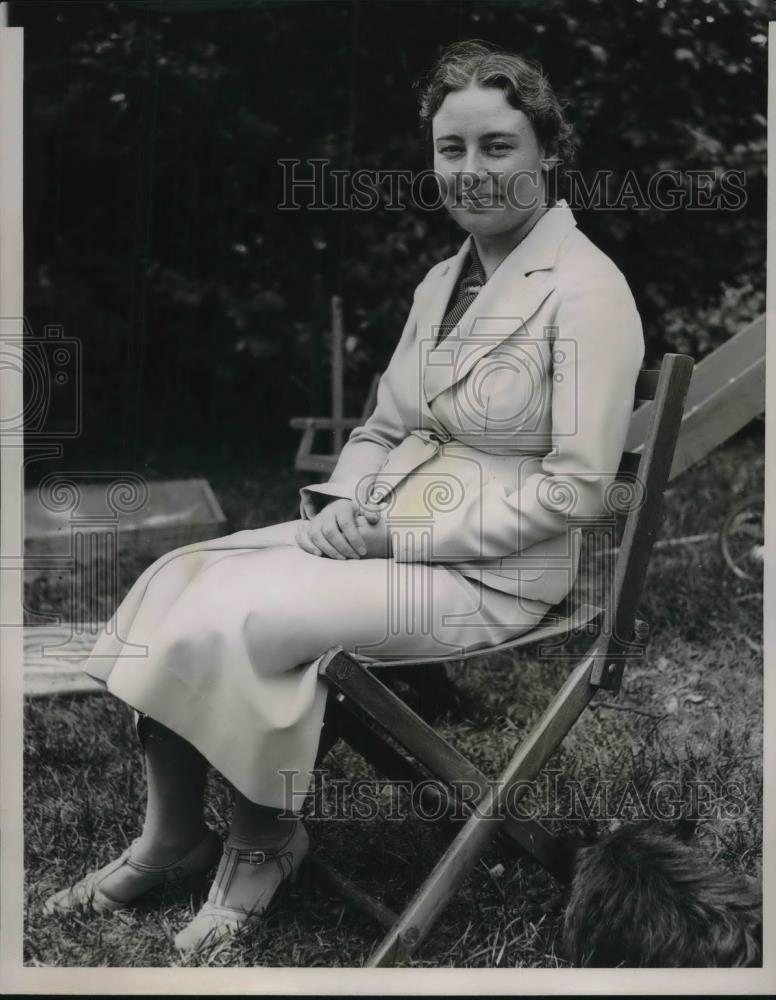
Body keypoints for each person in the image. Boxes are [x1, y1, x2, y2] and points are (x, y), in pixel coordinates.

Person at [43, 39, 644, 955]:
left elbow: (578, 488)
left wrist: (395, 539)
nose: (472, 171)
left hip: (496, 572)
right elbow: (383, 426)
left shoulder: (588, 290)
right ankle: (172, 839)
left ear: (549, 152)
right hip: (386, 531)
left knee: (251, 616)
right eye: (452, 148)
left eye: (498, 146)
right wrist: (342, 508)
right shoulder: (444, 282)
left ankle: (264, 845)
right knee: (177, 574)